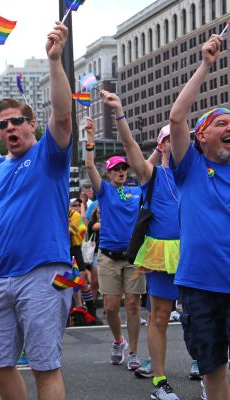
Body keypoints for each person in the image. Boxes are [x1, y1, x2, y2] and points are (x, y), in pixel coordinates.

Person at [0, 21, 72, 400]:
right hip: (2, 279)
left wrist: (54, 60)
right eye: (3, 125)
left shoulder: (49, 154)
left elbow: (63, 117)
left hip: (46, 273)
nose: (10, 127)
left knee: (43, 365)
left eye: (17, 121)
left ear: (32, 124)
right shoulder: (0, 168)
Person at [100, 91, 185, 399]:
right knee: (160, 316)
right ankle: (160, 381)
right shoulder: (153, 176)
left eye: (177, 138)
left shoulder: (199, 175)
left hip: (195, 252)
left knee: (201, 315)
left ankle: (206, 371)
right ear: (161, 146)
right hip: (162, 253)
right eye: (167, 140)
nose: (173, 143)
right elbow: (131, 147)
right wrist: (119, 113)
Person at [169, 34, 230, 400]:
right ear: (201, 135)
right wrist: (206, 64)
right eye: (222, 123)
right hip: (201, 286)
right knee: (212, 366)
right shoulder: (188, 167)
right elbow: (177, 117)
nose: (229, 128)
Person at [84, 117, 146, 370]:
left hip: (133, 257)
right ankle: (118, 341)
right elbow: (89, 167)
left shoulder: (137, 191)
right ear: (109, 173)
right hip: (108, 257)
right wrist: (90, 138)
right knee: (110, 307)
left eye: (124, 168)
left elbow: (148, 168)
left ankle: (132, 352)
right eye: (116, 169)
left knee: (132, 304)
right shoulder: (105, 191)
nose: (121, 171)